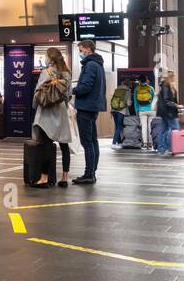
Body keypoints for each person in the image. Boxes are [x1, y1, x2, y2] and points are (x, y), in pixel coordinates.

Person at [31, 47, 73, 187]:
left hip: (46, 111)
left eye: (46, 56)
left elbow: (38, 92)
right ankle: (64, 178)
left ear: (51, 58)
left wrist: (34, 107)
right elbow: (69, 95)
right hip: (61, 110)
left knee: (46, 145)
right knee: (64, 144)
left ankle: (44, 178)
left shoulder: (46, 72)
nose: (45, 58)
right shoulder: (67, 73)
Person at [71, 39, 106, 185]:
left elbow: (85, 86)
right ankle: (92, 171)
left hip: (86, 106)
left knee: (87, 142)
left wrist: (71, 91)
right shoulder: (98, 65)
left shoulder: (90, 65)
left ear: (88, 49)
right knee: (92, 140)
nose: (80, 53)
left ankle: (89, 173)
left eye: (81, 50)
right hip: (93, 107)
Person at [155, 71, 181, 156]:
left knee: (163, 130)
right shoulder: (166, 86)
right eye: (173, 76)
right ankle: (171, 148)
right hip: (169, 112)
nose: (174, 78)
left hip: (165, 112)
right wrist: (177, 105)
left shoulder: (165, 86)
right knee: (175, 129)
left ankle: (162, 149)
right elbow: (167, 101)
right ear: (170, 77)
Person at [133, 75, 155, 150]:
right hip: (151, 110)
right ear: (147, 80)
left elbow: (135, 102)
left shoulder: (137, 89)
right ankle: (150, 143)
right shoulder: (151, 88)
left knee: (144, 127)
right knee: (150, 126)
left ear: (140, 81)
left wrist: (137, 111)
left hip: (141, 110)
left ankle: (145, 143)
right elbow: (153, 99)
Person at [110, 78, 132, 148]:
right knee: (119, 127)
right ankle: (113, 143)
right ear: (129, 85)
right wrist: (131, 103)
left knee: (117, 126)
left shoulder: (117, 89)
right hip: (121, 110)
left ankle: (119, 142)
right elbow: (128, 103)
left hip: (114, 110)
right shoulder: (128, 91)